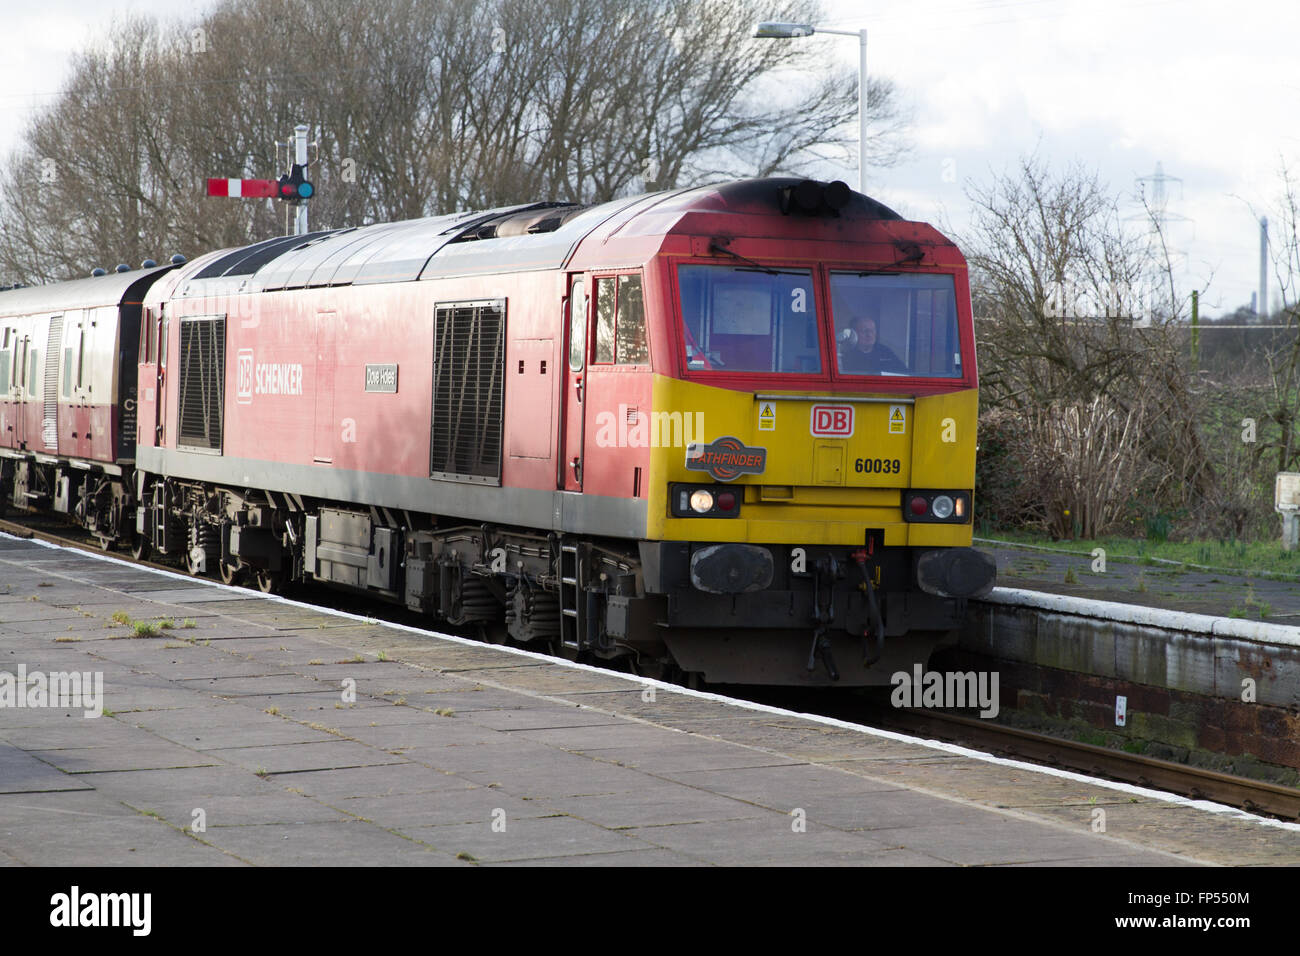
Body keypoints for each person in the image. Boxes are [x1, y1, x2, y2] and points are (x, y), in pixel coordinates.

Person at [838, 314, 906, 374]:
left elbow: (905, 373)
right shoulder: (846, 355)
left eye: (872, 330)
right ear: (853, 334)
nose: (869, 334)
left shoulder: (885, 352)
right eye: (865, 331)